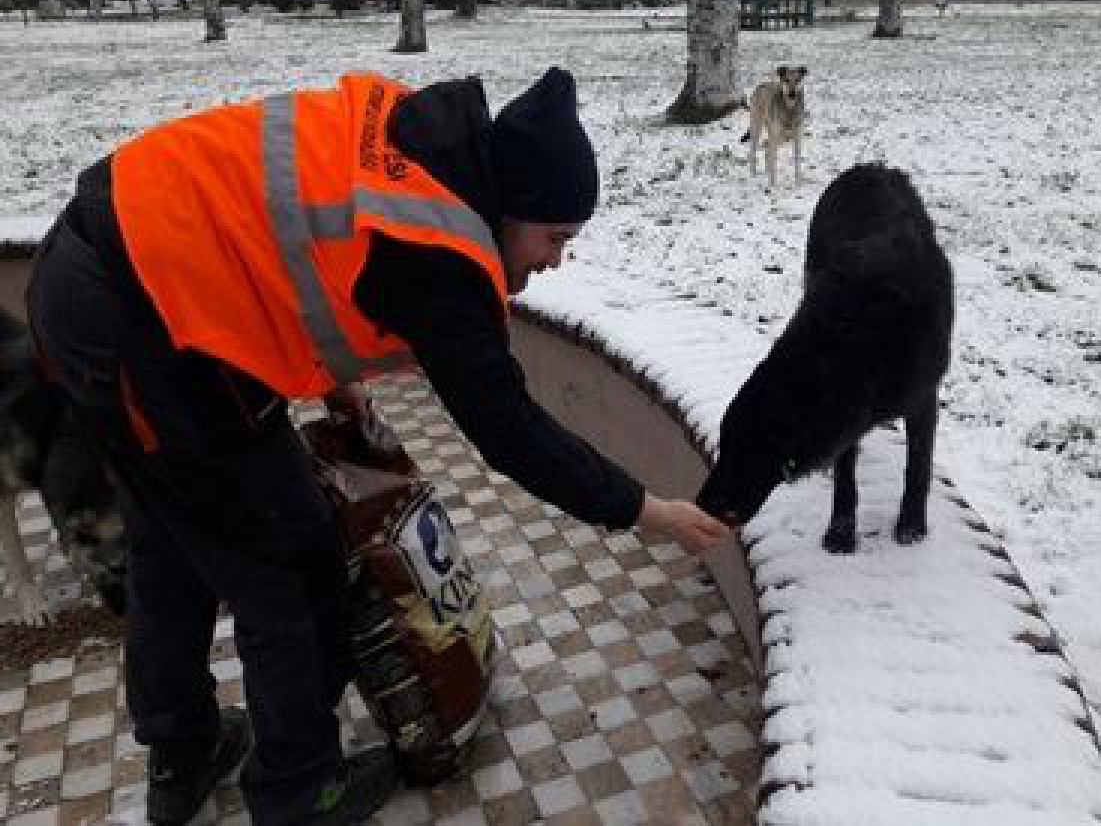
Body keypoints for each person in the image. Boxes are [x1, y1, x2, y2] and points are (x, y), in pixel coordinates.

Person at [25, 67, 732, 826]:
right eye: (556, 237)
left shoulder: (420, 142)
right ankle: (297, 792)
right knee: (290, 558)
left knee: (172, 538)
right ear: (512, 206)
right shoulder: (440, 250)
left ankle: (183, 751)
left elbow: (299, 243)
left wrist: (336, 379)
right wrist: (643, 509)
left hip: (93, 278)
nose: (558, 259)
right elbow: (509, 429)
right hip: (150, 329)